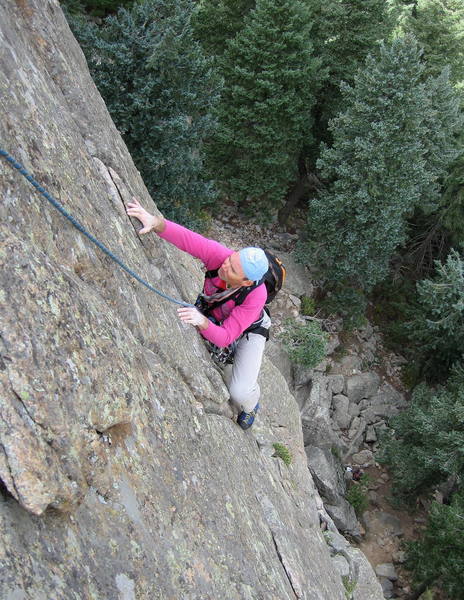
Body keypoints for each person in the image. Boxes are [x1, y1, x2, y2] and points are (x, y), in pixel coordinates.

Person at [126, 198, 270, 430]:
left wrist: (202, 321)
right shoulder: (222, 257)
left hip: (249, 330)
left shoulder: (256, 295)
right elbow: (190, 240)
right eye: (230, 259)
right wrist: (155, 222)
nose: (225, 266)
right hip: (217, 313)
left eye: (232, 269)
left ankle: (252, 405)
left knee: (239, 391)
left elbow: (226, 337)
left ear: (247, 281)